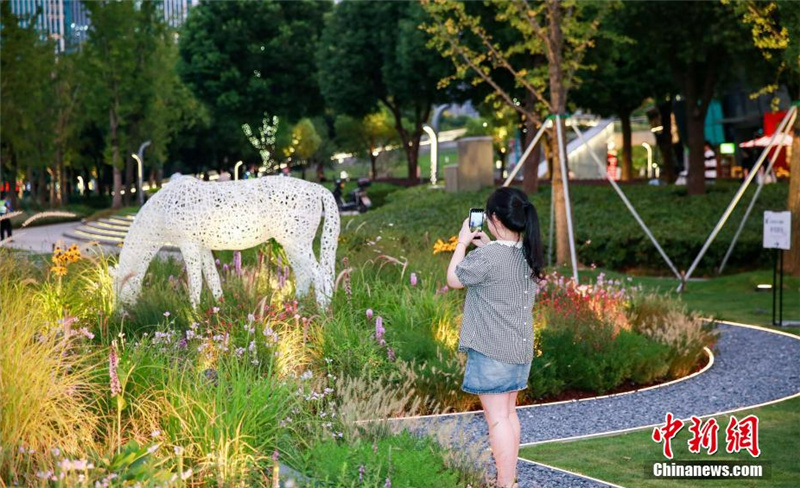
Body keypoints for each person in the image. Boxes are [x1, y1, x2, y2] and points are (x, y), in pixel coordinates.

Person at [446, 186, 544, 488]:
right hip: (518, 350)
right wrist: (489, 244)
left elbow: (454, 279)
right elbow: (501, 270)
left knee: (498, 419)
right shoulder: (527, 256)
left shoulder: (488, 256)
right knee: (509, 415)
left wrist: (462, 243)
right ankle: (508, 480)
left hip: (492, 350)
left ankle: (505, 484)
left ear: (493, 219)